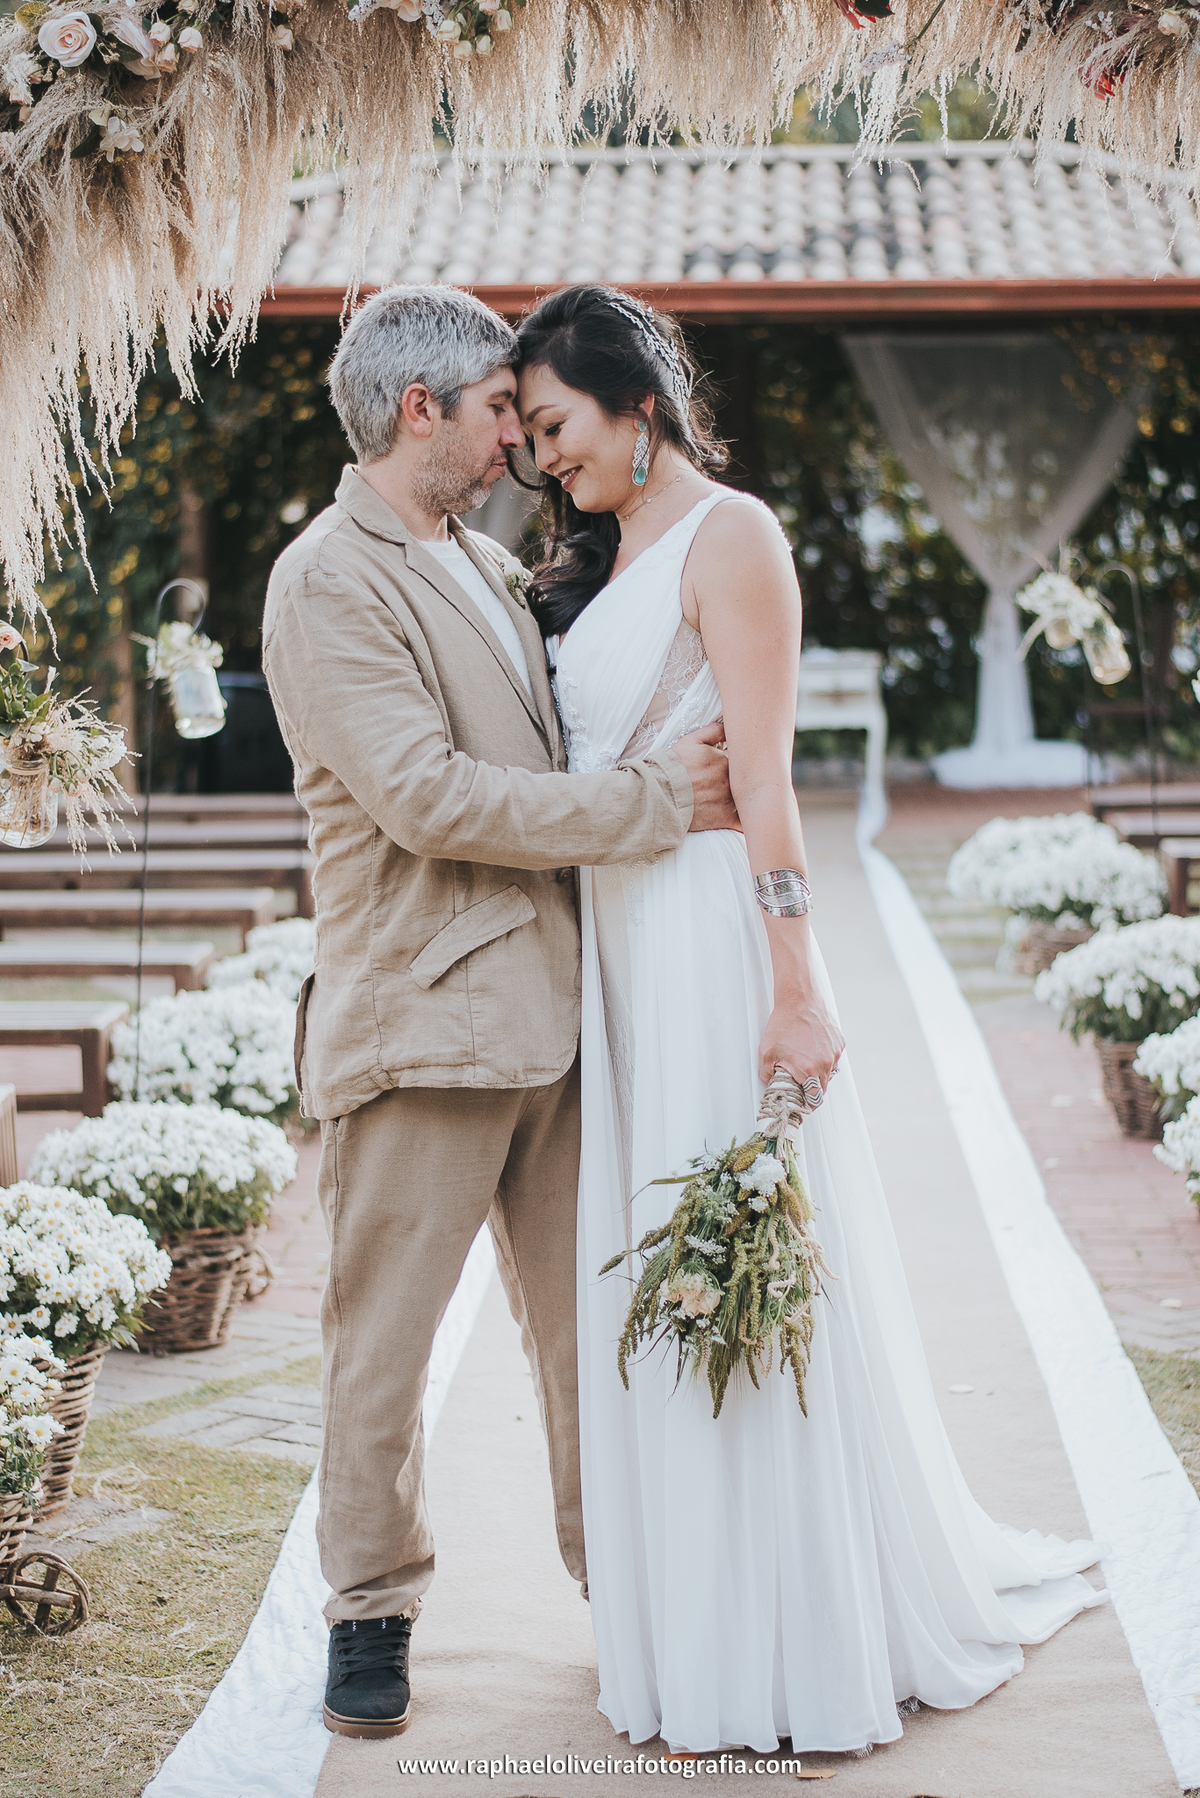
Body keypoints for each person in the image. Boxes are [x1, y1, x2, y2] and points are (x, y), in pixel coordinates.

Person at [514, 285, 1106, 1758]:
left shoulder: (737, 539)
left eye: (554, 424)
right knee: (649, 1265)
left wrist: (794, 982)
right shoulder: (598, 555)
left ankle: (786, 1635)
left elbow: (769, 782)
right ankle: (684, 1623)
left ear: (635, 403)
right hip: (619, 946)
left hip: (714, 939)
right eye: (524, 431)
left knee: (732, 1254)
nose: (539, 455)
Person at [261, 284, 739, 1741]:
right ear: (424, 409)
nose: (516, 437)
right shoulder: (325, 580)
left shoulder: (479, 557)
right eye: (495, 409)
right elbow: (425, 795)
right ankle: (371, 1614)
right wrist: (653, 806)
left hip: (560, 1019)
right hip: (418, 1030)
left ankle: (628, 1592)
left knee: (595, 1335)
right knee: (384, 1346)